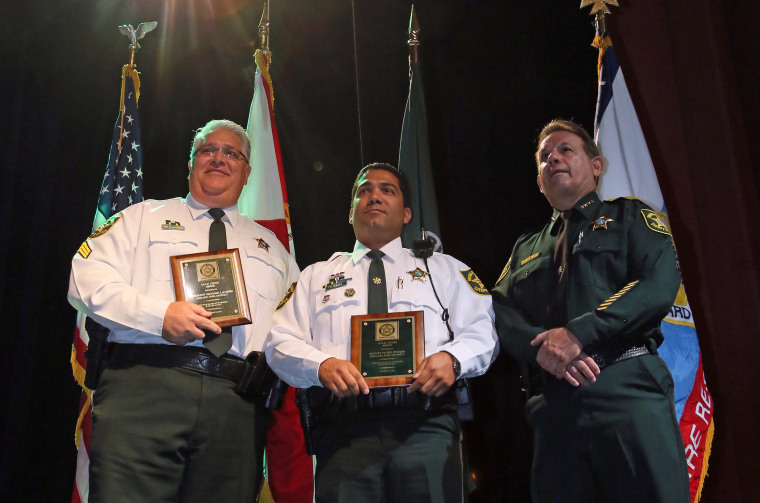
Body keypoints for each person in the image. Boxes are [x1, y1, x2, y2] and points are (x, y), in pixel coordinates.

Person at [68, 119, 299, 502]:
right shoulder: (141, 218)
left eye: (232, 153)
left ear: (247, 172)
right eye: (208, 150)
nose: (219, 158)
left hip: (236, 404)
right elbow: (85, 279)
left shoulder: (273, 248)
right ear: (191, 162)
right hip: (145, 386)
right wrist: (158, 317)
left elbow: (295, 325)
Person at [264, 163, 498, 503]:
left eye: (388, 189)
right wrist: (321, 365)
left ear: (406, 214)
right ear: (350, 212)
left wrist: (452, 358)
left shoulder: (443, 269)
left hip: (426, 427)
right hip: (344, 433)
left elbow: (483, 333)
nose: (374, 195)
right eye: (364, 190)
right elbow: (278, 342)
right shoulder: (315, 277)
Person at [491, 119, 690, 502]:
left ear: (596, 165)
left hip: (625, 390)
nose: (553, 158)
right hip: (553, 410)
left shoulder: (630, 217)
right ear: (538, 182)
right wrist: (542, 351)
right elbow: (497, 311)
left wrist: (579, 333)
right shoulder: (524, 249)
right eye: (544, 157)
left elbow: (657, 284)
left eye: (565, 149)